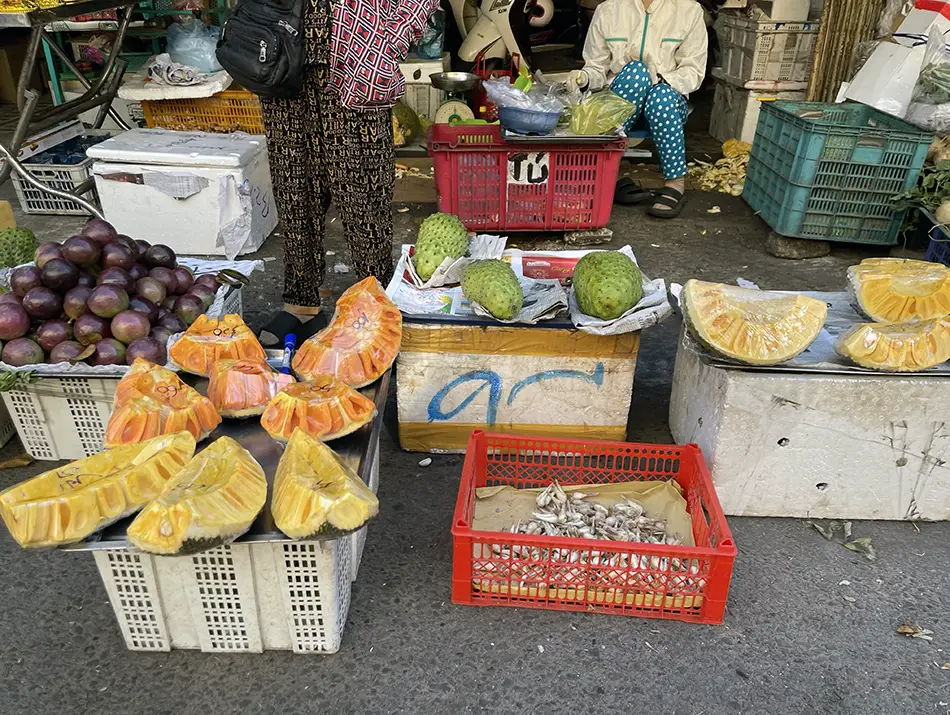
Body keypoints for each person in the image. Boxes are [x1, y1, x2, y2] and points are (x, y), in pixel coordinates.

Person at [258, 0, 440, 346]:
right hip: (280, 47)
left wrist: (392, 37)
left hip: (358, 56)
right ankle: (301, 306)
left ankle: (377, 301)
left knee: (362, 193)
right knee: (293, 185)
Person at [568, 0, 707, 218]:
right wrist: (584, 78)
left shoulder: (688, 10)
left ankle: (675, 183)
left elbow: (693, 72)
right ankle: (607, 175)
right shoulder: (609, 9)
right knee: (636, 72)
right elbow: (597, 68)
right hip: (620, 104)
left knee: (659, 95)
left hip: (666, 105)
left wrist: (659, 78)